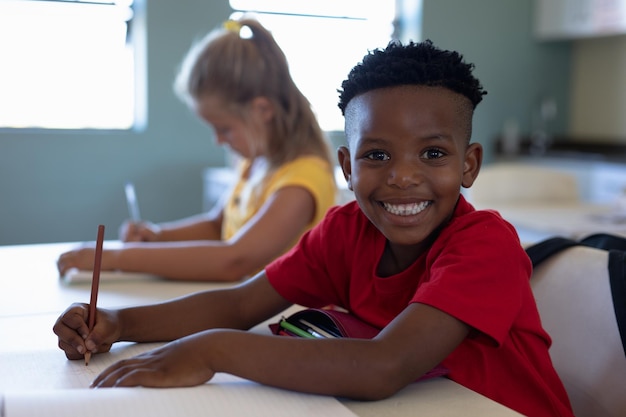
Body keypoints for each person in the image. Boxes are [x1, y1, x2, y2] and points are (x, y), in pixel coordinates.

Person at [53, 39, 574, 417]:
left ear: (469, 164)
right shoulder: (345, 231)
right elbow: (239, 304)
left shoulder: (485, 244)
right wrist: (120, 323)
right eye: (377, 155)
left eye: (433, 153)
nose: (403, 176)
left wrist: (213, 350)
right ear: (347, 167)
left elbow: (382, 367)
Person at [56, 18, 337, 282]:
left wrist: (115, 257)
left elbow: (235, 260)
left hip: (289, 321)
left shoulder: (302, 181)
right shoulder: (255, 163)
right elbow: (217, 226)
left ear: (262, 110)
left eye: (224, 128)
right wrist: (158, 236)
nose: (217, 140)